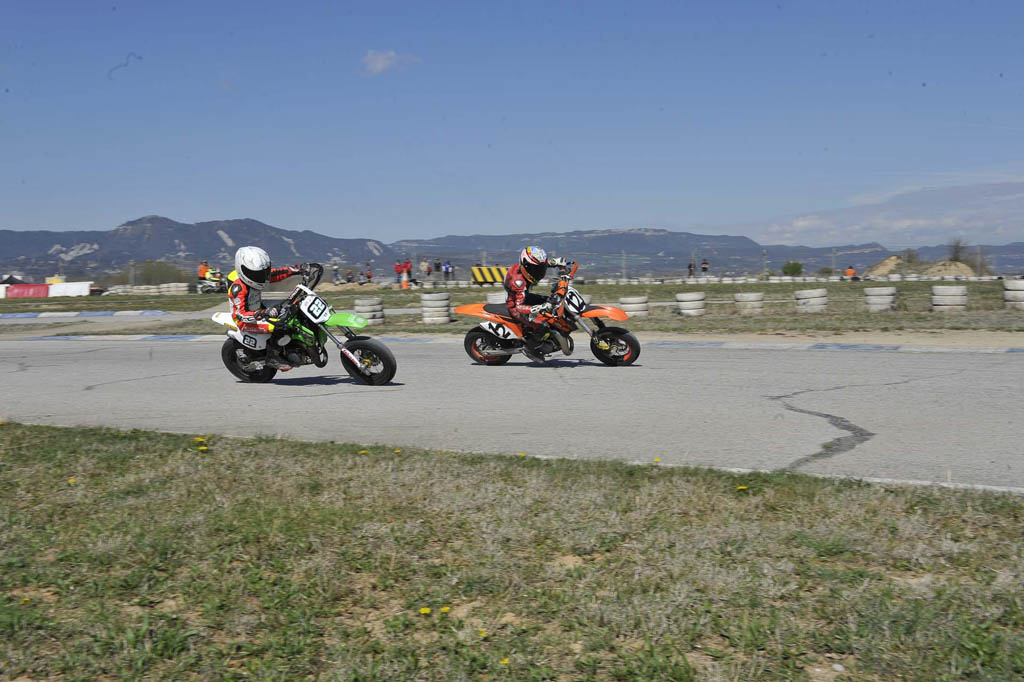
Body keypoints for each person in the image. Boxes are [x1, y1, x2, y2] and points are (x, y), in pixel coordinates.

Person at [227, 246, 308, 368]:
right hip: (246, 320)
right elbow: (241, 315)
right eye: (256, 274)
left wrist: (296, 269)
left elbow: (275, 275)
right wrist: (264, 313)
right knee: (279, 325)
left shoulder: (257, 275)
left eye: (263, 273)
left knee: (292, 305)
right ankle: (272, 358)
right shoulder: (237, 289)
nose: (262, 277)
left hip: (258, 307)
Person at [503, 245, 567, 361]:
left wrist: (555, 263)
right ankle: (530, 348)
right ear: (526, 265)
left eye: (540, 269)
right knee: (542, 325)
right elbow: (519, 307)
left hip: (524, 297)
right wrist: (539, 308)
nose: (539, 272)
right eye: (536, 269)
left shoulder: (528, 268)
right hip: (516, 307)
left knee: (551, 301)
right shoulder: (518, 282)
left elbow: (538, 264)